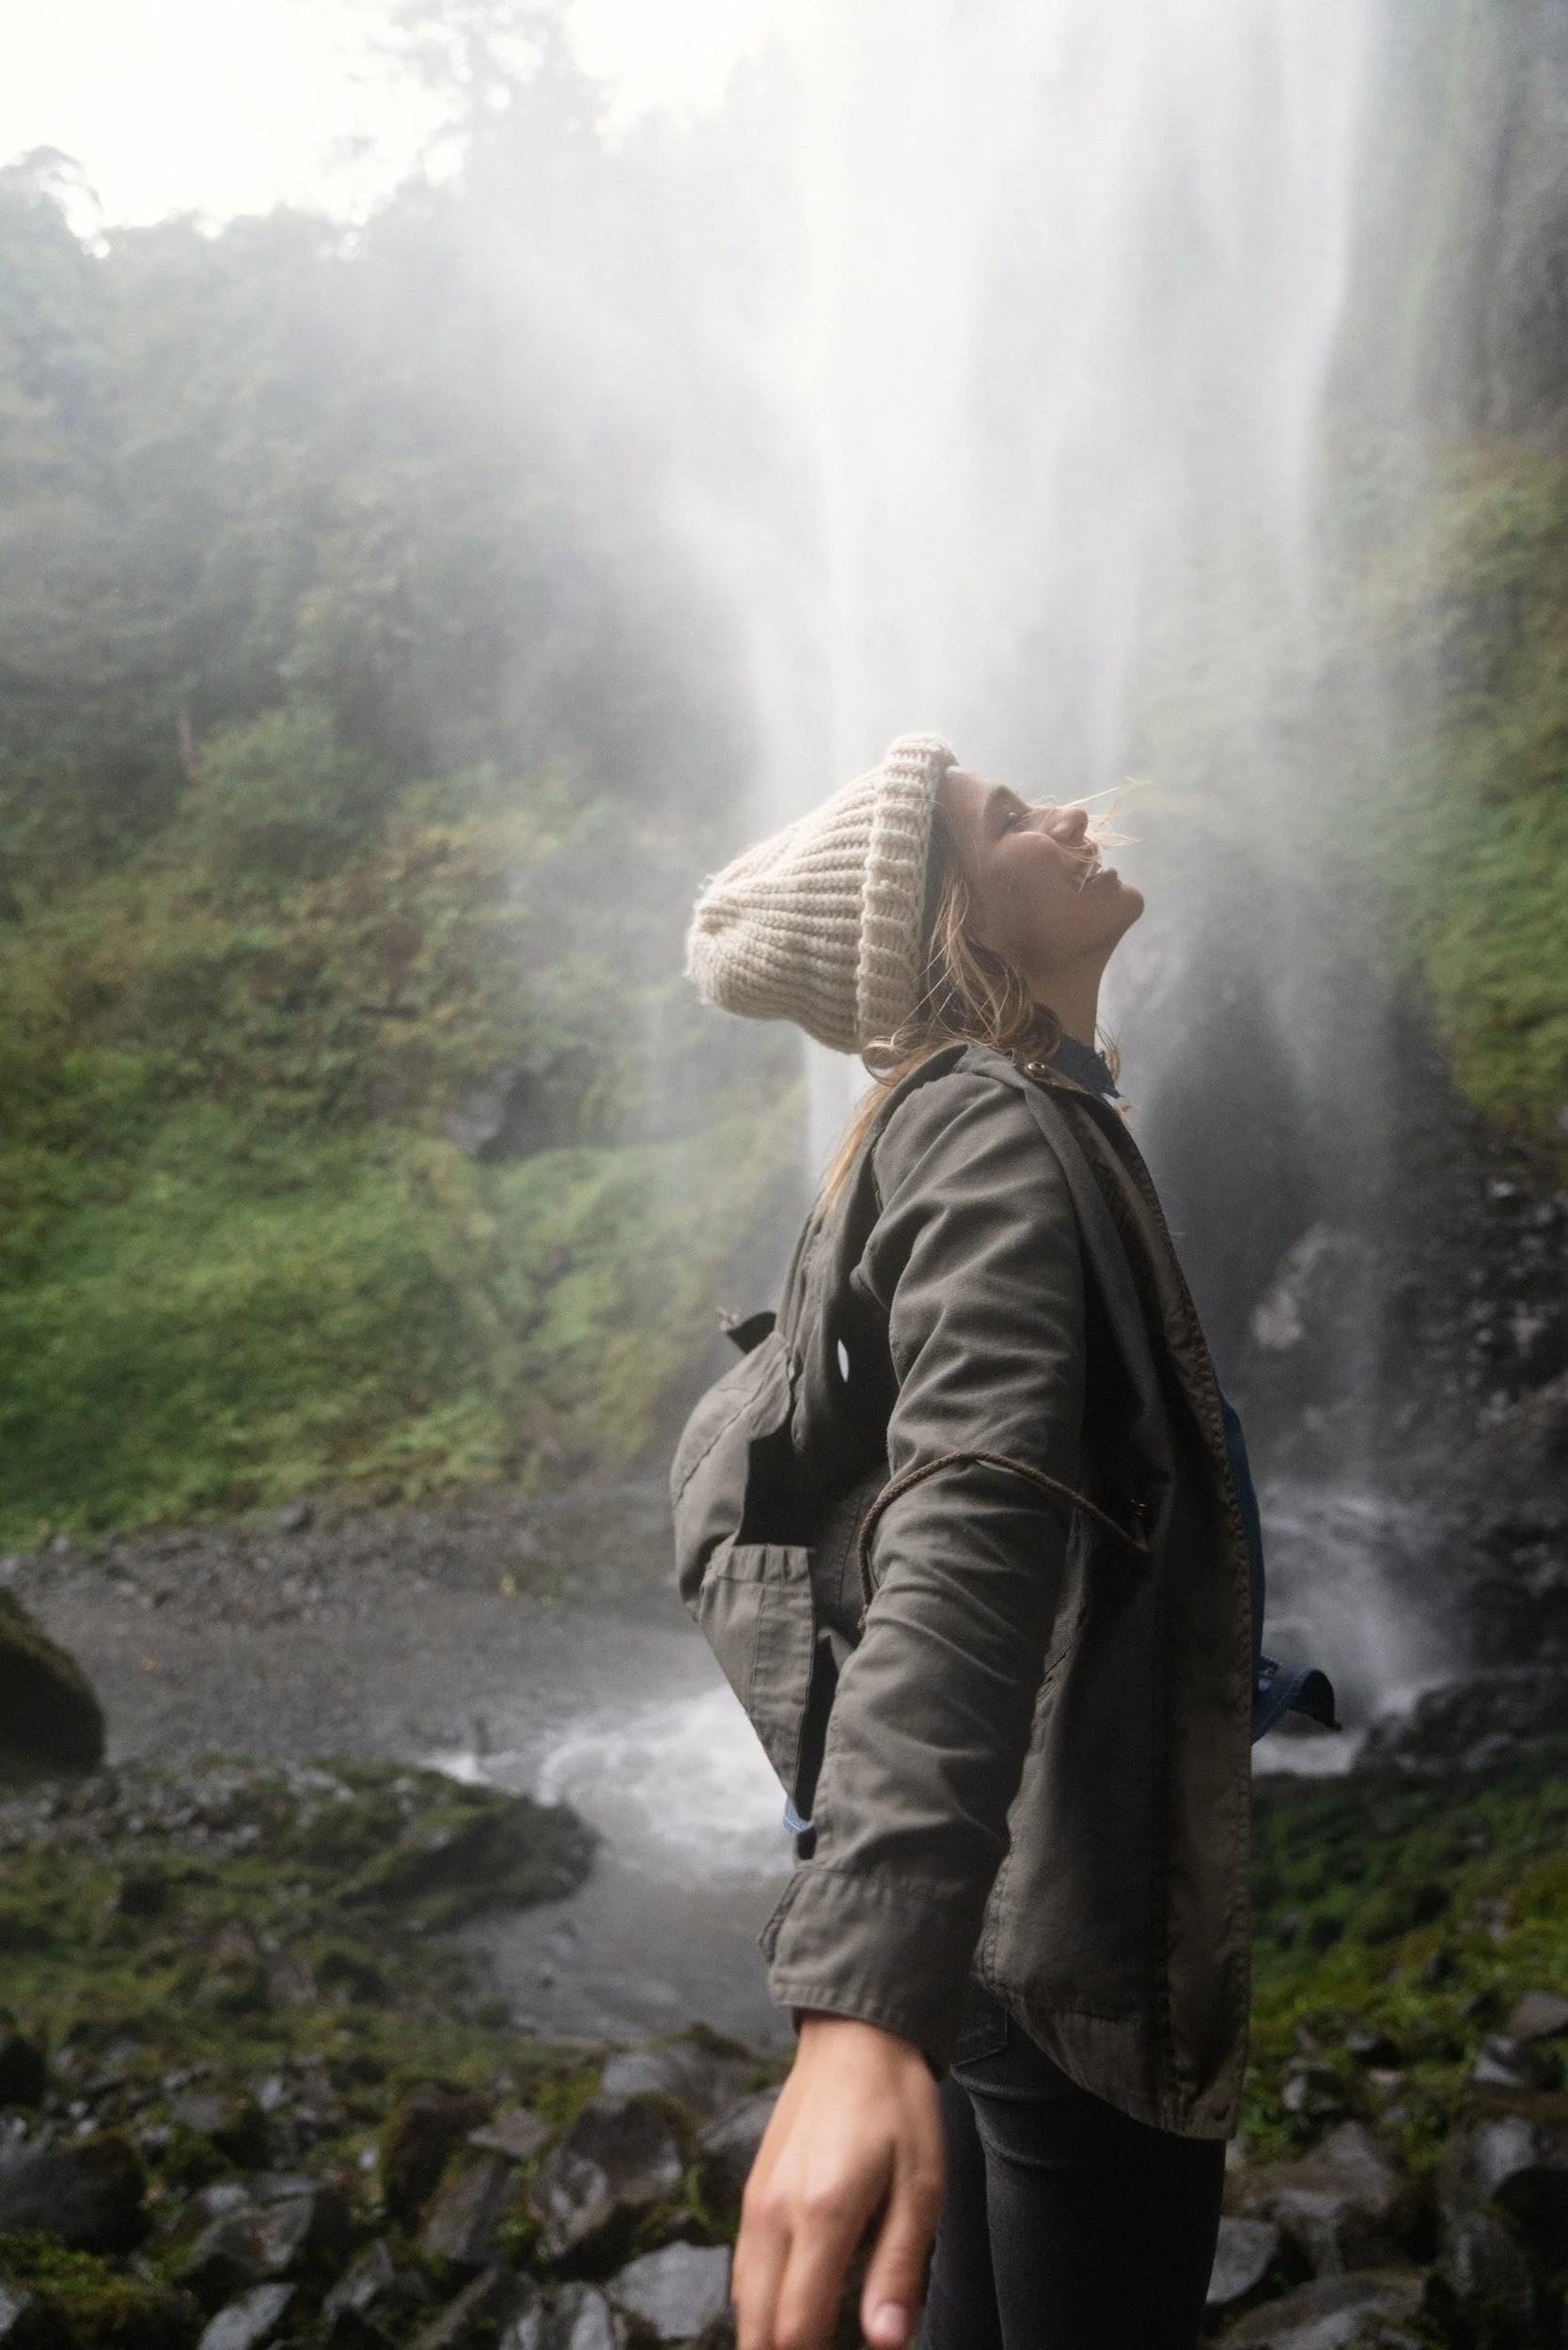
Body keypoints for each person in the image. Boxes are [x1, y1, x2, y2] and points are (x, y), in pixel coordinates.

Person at [673, 734, 1333, 2350]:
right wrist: (858, 2002)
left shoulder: (994, 1117)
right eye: (1010, 823)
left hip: (994, 1922)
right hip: (1046, 1933)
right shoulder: (989, 1127)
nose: (1069, 815)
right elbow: (972, 1508)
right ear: (952, 923)